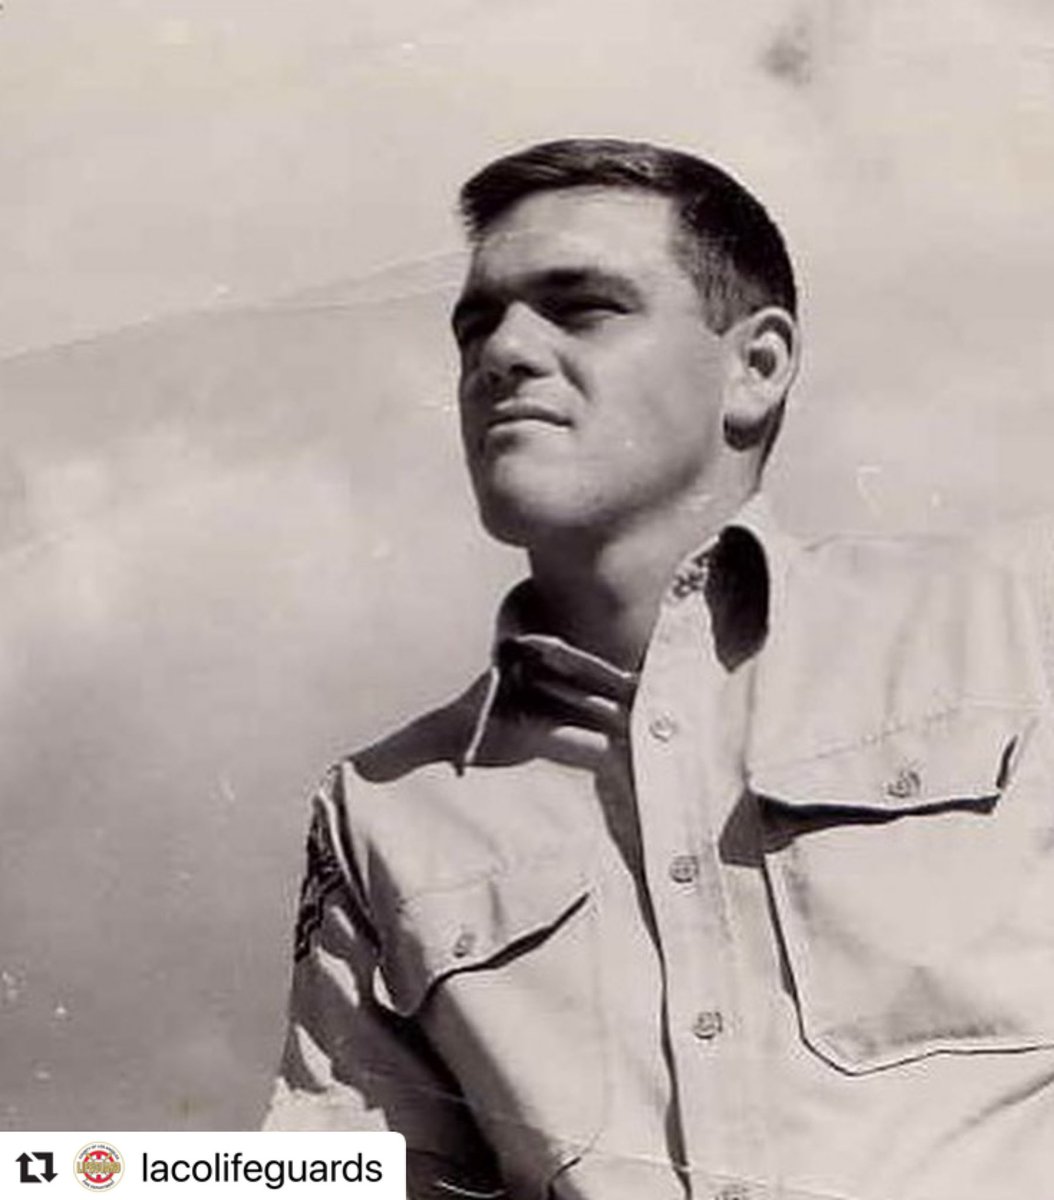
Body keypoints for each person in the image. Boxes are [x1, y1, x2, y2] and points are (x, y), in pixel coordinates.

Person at [263, 139, 1054, 1200]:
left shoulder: (1014, 625)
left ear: (755, 368)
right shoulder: (383, 811)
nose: (504, 351)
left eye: (582, 307)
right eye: (475, 324)